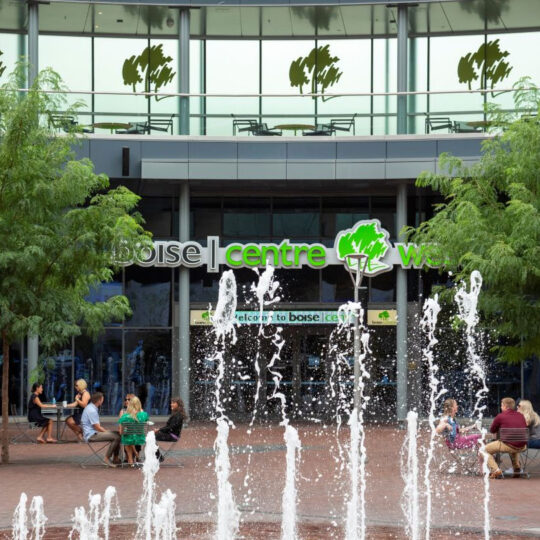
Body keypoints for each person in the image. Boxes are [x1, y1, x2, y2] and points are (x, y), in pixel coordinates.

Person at [484, 397, 528, 479]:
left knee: (483, 450)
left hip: (508, 445)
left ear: (505, 406)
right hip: (522, 446)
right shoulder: (521, 415)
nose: (501, 407)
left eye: (501, 405)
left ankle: (496, 470)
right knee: (513, 444)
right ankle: (516, 468)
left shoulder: (500, 416)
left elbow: (492, 430)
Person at [81, 392, 121, 467]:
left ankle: (116, 458)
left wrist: (108, 432)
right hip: (91, 435)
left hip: (93, 433)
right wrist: (107, 431)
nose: (103, 400)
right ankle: (106, 458)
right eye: (102, 399)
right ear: (99, 400)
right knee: (117, 437)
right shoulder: (92, 410)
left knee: (118, 434)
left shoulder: (91, 407)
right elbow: (97, 427)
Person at [153, 397, 187, 462]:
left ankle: (159, 457)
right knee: (151, 437)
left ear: (178, 404)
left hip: (172, 436)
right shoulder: (176, 414)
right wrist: (159, 430)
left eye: (173, 403)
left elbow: (171, 427)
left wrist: (159, 430)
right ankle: (158, 456)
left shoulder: (178, 415)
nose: (171, 404)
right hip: (171, 434)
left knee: (151, 438)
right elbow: (169, 427)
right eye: (171, 403)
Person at [118, 396, 149, 466]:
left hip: (128, 440)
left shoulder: (125, 416)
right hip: (140, 439)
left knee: (127, 437)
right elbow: (146, 424)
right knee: (132, 436)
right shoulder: (144, 414)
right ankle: (135, 454)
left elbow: (121, 431)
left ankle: (130, 459)